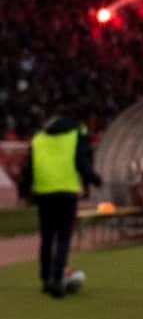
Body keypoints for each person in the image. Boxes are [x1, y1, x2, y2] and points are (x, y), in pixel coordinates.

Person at [22, 109, 99, 299]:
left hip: (44, 192)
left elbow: (29, 166)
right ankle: (58, 278)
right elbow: (81, 163)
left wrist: (25, 190)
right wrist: (94, 178)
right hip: (66, 191)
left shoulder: (39, 138)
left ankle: (46, 279)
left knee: (47, 238)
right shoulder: (75, 135)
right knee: (63, 238)